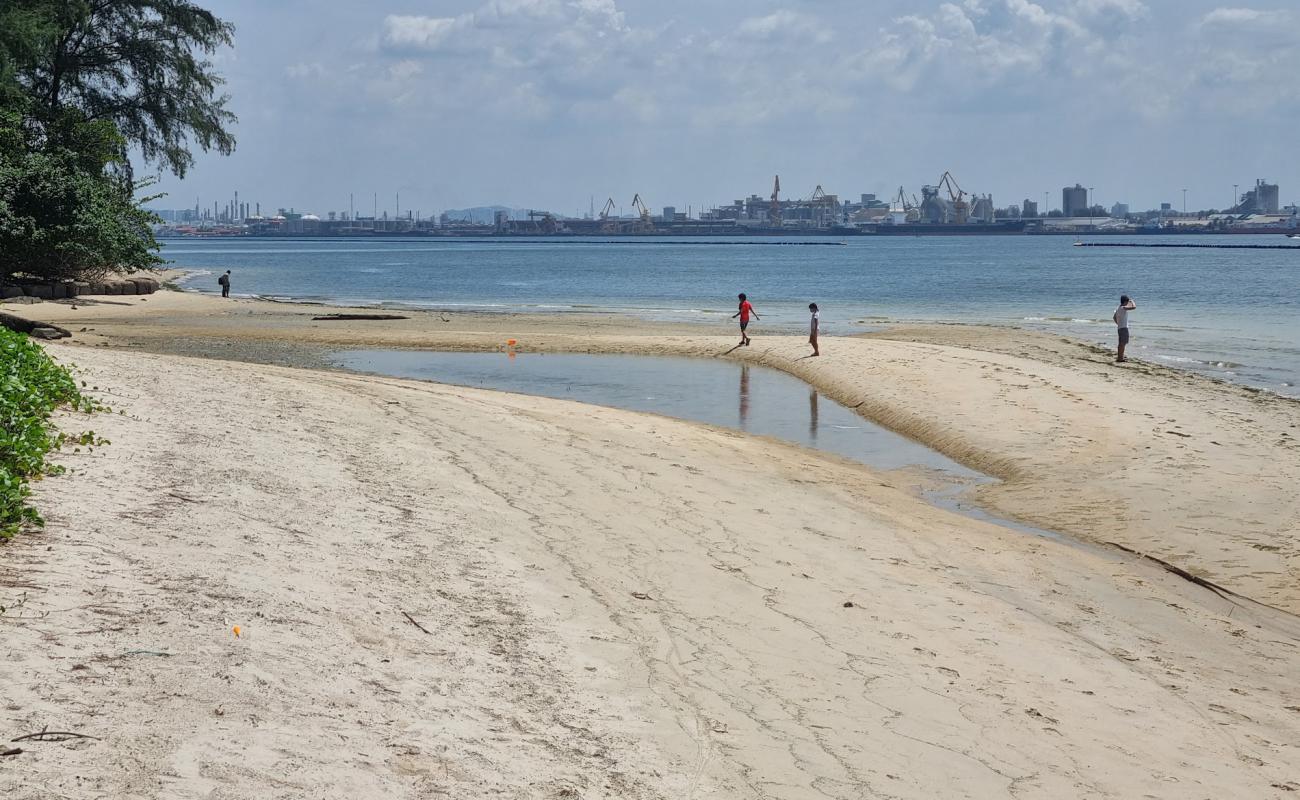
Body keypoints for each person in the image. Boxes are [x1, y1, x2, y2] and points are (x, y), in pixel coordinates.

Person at [1113, 294, 1136, 362]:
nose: (1127, 303)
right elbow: (1134, 307)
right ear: (1125, 301)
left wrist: (1118, 323)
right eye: (1127, 301)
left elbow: (1114, 317)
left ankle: (1120, 356)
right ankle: (1120, 358)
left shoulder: (1118, 308)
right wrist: (1132, 301)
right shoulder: (1123, 308)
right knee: (1122, 343)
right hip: (1123, 328)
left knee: (1121, 343)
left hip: (1120, 327)